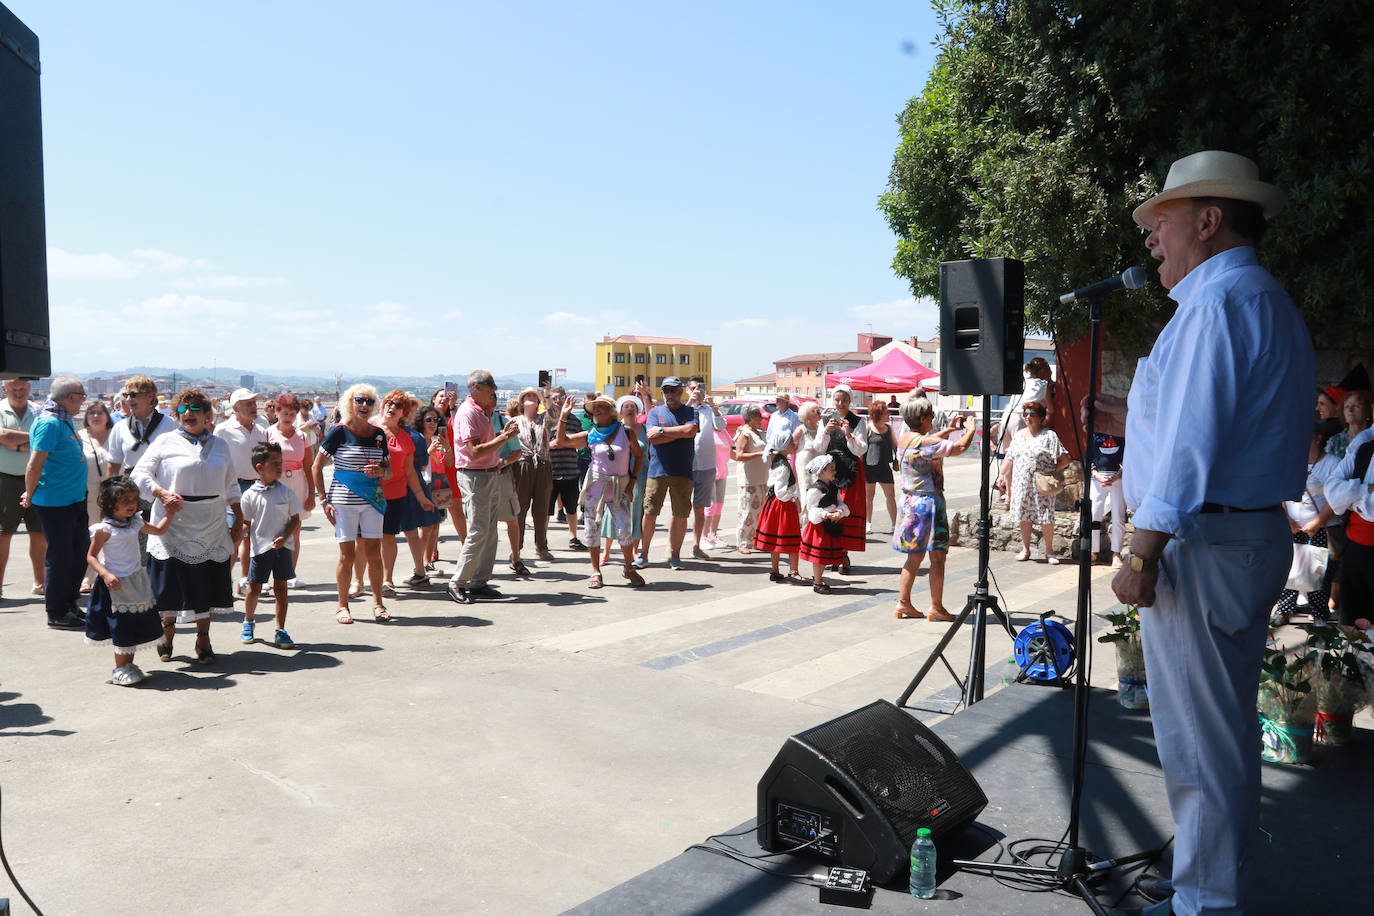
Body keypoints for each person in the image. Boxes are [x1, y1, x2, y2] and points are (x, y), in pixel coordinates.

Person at [1103, 150, 1314, 916]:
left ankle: (1207, 902)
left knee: (1201, 743)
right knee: (1212, 734)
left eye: (1159, 222)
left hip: (1208, 546)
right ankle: (1207, 883)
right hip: (1237, 537)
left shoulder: (1220, 304)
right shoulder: (1255, 298)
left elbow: (1191, 446)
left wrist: (1140, 553)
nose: (1151, 239)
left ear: (1208, 219)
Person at [132, 388, 246, 664]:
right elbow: (139, 474)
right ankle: (167, 631)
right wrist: (160, 493)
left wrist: (239, 517)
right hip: (173, 521)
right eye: (182, 410)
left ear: (208, 415)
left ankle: (203, 637)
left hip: (212, 522)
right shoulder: (165, 442)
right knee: (170, 585)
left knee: (205, 584)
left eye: (195, 409)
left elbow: (231, 484)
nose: (188, 414)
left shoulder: (219, 445)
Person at [84, 476, 179, 685]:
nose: (132, 504)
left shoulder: (135, 522)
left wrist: (170, 513)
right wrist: (105, 574)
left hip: (137, 581)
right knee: (121, 626)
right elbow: (91, 556)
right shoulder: (104, 530)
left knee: (134, 624)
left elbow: (159, 530)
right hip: (116, 586)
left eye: (134, 499)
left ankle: (129, 664)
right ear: (110, 504)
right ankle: (120, 668)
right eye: (126, 499)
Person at [892, 396, 976, 621]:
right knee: (937, 558)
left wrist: (947, 430)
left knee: (913, 557)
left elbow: (927, 441)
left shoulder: (905, 439)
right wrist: (971, 429)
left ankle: (903, 603)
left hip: (910, 503)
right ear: (922, 418)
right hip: (929, 505)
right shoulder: (926, 444)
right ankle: (936, 607)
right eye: (930, 416)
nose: (932, 420)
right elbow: (961, 447)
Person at [313, 383, 390, 624]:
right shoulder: (338, 432)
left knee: (374, 554)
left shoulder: (379, 435)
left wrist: (381, 471)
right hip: (344, 502)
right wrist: (323, 500)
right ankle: (342, 605)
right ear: (350, 403)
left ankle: (378, 603)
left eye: (369, 401)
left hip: (373, 501)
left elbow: (388, 470)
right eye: (360, 400)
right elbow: (316, 466)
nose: (365, 405)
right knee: (346, 556)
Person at [553, 395, 645, 588]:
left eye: (601, 407)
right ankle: (596, 572)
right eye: (594, 408)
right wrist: (563, 416)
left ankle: (629, 568)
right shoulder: (591, 434)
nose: (596, 411)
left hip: (619, 488)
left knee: (624, 531)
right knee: (591, 531)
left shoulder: (626, 432)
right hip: (595, 488)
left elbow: (639, 455)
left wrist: (632, 481)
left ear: (611, 412)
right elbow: (561, 441)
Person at [22, 377, 92, 629]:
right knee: (60, 557)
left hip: (74, 499)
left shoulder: (62, 419)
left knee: (79, 553)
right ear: (71, 397)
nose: (84, 400)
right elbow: (34, 464)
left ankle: (69, 602)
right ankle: (56, 611)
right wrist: (29, 493)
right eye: (82, 395)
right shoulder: (50, 423)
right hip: (55, 502)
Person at [446, 370, 520, 605]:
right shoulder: (468, 413)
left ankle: (478, 581)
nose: (493, 393)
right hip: (475, 477)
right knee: (479, 530)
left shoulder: (482, 411)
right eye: (490, 389)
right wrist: (504, 438)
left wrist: (500, 436)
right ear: (476, 388)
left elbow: (482, 447)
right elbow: (475, 451)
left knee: (489, 531)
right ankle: (457, 582)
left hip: (487, 475)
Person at [1273, 419, 1342, 625]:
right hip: (1294, 526)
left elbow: (1336, 498)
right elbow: (1282, 492)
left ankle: (1319, 614)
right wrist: (1288, 519)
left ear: (1318, 438)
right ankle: (1284, 610)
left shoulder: (1332, 463)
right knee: (1290, 568)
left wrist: (1318, 522)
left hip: (1322, 528)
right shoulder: (1292, 460)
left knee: (1318, 572)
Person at [238, 443, 301, 648]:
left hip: (283, 549)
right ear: (260, 467)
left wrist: (285, 537)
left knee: (281, 588)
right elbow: (246, 523)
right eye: (274, 463)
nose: (279, 466)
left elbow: (295, 520)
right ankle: (248, 622)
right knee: (253, 588)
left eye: (280, 462)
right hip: (260, 549)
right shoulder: (249, 495)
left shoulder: (287, 492)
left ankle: (280, 629)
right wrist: (237, 533)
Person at [377, 391, 435, 597]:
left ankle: (388, 579)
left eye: (399, 406)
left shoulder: (408, 437)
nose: (392, 408)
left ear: (405, 412)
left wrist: (421, 496)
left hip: (400, 493)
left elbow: (412, 470)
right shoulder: (372, 432)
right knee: (367, 540)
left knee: (391, 536)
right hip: (377, 493)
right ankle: (359, 580)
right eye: (389, 403)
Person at [638, 377, 699, 570]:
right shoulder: (655, 412)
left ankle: (675, 556)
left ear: (681, 391)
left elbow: (691, 430)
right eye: (666, 391)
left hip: (682, 470)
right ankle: (644, 554)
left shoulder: (691, 411)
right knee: (649, 513)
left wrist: (663, 431)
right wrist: (679, 433)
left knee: (680, 514)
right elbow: (652, 439)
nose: (669, 394)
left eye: (673, 390)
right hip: (657, 470)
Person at [215, 388, 269, 595]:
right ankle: (222, 583)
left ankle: (245, 580)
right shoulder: (223, 430)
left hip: (257, 487)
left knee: (252, 538)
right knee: (233, 537)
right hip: (233, 488)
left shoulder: (262, 430)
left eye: (254, 402)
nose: (254, 406)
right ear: (236, 407)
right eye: (248, 403)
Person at [1002, 400, 1070, 562]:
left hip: (1041, 484)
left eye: (1032, 414)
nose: (1027, 417)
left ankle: (1049, 552)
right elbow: (1009, 457)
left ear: (1041, 417)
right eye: (1025, 413)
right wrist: (1001, 476)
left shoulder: (1049, 436)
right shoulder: (1018, 435)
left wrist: (1051, 471)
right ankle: (1026, 549)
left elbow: (1065, 459)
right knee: (1024, 517)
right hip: (1021, 484)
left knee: (1046, 517)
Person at [0, 378, 47, 599]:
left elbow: (8, 438)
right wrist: (34, 441)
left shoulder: (38, 411)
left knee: (38, 534)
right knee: (3, 534)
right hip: (5, 480)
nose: (18, 393)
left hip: (37, 480)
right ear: (4, 389)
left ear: (29, 389)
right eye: (13, 389)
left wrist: (13, 441)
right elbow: (2, 436)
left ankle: (40, 583)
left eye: (22, 389)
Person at [266, 392, 315, 585]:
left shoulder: (303, 436)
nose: (289, 418)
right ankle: (267, 576)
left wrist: (311, 493)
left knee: (295, 530)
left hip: (297, 484)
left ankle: (290, 574)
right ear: (277, 412)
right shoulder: (268, 433)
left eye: (292, 414)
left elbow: (309, 467)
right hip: (275, 484)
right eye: (285, 413)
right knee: (272, 531)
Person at [819, 386, 867, 573]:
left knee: (845, 512)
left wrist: (848, 434)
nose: (840, 404)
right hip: (830, 469)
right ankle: (833, 554)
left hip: (850, 470)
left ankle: (843, 554)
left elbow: (860, 449)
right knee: (829, 509)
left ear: (850, 401)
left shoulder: (858, 422)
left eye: (844, 400)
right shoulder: (827, 419)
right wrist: (826, 432)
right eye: (838, 400)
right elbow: (818, 447)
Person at [753, 414, 802, 582]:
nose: (793, 444)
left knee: (776, 539)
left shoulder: (777, 461)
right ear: (784, 446)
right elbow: (781, 492)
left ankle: (775, 570)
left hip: (772, 504)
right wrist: (794, 497)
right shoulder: (783, 466)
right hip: (782, 505)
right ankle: (794, 571)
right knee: (792, 539)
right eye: (791, 442)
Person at [510, 387, 555, 564]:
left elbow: (555, 413)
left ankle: (541, 546)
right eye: (526, 396)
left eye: (533, 396)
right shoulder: (514, 421)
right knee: (519, 509)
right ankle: (517, 547)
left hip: (543, 465)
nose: (530, 398)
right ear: (521, 402)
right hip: (522, 465)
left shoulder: (544, 419)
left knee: (541, 509)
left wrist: (547, 395)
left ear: (538, 402)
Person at [601, 396, 648, 562]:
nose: (630, 408)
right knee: (610, 512)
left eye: (633, 406)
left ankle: (634, 550)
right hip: (618, 475)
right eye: (626, 406)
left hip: (640, 475)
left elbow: (648, 453)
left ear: (637, 410)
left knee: (636, 512)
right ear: (621, 410)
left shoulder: (644, 428)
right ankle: (606, 552)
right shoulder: (616, 428)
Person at [686, 376, 726, 559]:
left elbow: (721, 426)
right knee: (680, 509)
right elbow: (679, 424)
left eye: (700, 388)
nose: (698, 391)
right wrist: (690, 402)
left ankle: (699, 542)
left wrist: (714, 407)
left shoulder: (709, 409)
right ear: (688, 389)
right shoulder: (684, 408)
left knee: (701, 507)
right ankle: (674, 547)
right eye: (694, 388)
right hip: (686, 464)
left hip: (707, 464)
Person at [78, 398, 115, 592]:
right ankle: (88, 578)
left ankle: (111, 573)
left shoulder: (116, 434)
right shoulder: (79, 436)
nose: (95, 416)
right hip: (89, 494)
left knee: (113, 534)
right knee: (92, 534)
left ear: (107, 416)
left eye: (100, 412)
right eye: (91, 413)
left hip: (114, 495)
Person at [106, 375, 175, 477]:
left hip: (164, 489)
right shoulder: (120, 427)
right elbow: (113, 466)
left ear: (150, 397)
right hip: (132, 490)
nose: (128, 399)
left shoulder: (170, 424)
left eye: (133, 394)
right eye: (126, 395)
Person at [800, 454, 848, 594]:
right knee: (819, 555)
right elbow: (812, 510)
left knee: (825, 555)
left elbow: (840, 503)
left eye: (834, 468)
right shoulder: (816, 489)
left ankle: (819, 578)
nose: (835, 471)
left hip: (830, 525)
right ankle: (818, 582)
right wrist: (826, 514)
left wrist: (840, 511)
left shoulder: (833, 487)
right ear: (821, 472)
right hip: (819, 527)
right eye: (831, 469)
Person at [412, 405, 452, 572]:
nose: (432, 423)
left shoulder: (438, 439)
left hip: (438, 487)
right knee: (426, 527)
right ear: (421, 421)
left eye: (435, 420)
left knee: (435, 526)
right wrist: (428, 451)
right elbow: (415, 465)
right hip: (423, 486)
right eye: (428, 420)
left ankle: (428, 562)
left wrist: (447, 447)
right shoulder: (417, 439)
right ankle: (419, 565)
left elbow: (449, 464)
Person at [545, 385, 584, 549]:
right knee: (546, 509)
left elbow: (582, 443)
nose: (558, 400)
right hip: (550, 471)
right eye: (554, 398)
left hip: (570, 470)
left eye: (561, 397)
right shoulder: (545, 419)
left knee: (571, 507)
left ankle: (573, 538)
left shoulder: (575, 420)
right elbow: (538, 444)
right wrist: (556, 443)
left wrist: (565, 442)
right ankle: (542, 539)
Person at [1088, 405, 1127, 568]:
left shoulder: (1123, 434)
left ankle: (1116, 553)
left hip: (1117, 478)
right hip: (1098, 478)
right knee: (1094, 515)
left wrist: (1118, 474)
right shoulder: (1095, 435)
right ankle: (1092, 551)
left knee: (1118, 517)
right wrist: (1095, 474)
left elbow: (1128, 455)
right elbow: (1089, 457)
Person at [732, 405, 768, 553]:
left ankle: (754, 540)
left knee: (759, 511)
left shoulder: (759, 432)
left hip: (762, 478)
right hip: (749, 479)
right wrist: (760, 455)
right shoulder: (744, 433)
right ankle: (742, 542)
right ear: (752, 417)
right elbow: (739, 455)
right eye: (759, 416)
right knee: (747, 512)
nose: (761, 419)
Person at [862, 399, 899, 534]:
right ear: (878, 414)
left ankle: (895, 524)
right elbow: (861, 450)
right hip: (869, 467)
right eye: (886, 412)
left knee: (890, 496)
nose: (889, 414)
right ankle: (868, 523)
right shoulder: (867, 428)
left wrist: (897, 460)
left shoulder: (889, 428)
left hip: (885, 466)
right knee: (868, 498)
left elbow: (896, 446)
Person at [792, 402, 825, 517]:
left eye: (818, 410)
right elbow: (791, 448)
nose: (817, 412)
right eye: (813, 411)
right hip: (804, 468)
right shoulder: (801, 430)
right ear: (806, 415)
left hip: (819, 469)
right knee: (805, 491)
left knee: (819, 493)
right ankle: (805, 520)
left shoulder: (821, 429)